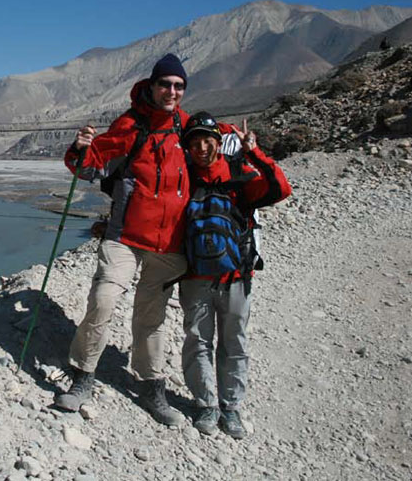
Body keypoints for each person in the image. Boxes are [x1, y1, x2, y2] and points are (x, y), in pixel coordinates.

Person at [54, 54, 229, 427]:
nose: (172, 91)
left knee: (152, 318)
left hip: (169, 246)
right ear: (151, 86)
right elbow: (90, 166)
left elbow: (215, 157)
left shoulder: (186, 126)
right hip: (125, 237)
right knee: (103, 300)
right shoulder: (130, 125)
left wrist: (245, 145)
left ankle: (151, 385)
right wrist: (81, 148)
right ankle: (84, 374)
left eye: (179, 86)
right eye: (165, 84)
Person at [178, 113, 291, 439]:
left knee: (234, 342)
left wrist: (253, 152)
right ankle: (206, 404)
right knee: (198, 341)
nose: (201, 147)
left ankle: (231, 407)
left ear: (218, 142)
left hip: (236, 276)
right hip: (195, 277)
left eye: (208, 140)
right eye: (195, 141)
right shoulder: (183, 178)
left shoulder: (240, 174)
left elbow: (279, 188)